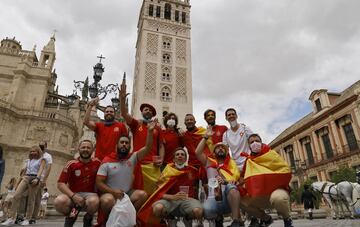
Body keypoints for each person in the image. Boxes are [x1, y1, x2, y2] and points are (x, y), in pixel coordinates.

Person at [96, 120, 157, 225]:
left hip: (127, 194)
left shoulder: (132, 157)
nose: (124, 145)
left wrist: (150, 132)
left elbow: (147, 148)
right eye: (122, 142)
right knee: (107, 201)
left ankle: (130, 216)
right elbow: (99, 183)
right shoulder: (106, 160)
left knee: (142, 195)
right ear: (117, 146)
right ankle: (107, 221)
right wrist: (113, 192)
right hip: (110, 193)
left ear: (129, 146)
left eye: (127, 143)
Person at [138, 148, 203, 227]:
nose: (180, 156)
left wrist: (196, 200)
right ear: (173, 159)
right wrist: (172, 197)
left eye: (182, 154)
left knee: (198, 212)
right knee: (157, 209)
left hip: (187, 199)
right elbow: (158, 192)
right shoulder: (167, 171)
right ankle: (170, 218)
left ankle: (187, 219)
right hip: (170, 201)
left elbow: (197, 186)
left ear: (185, 159)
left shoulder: (193, 170)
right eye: (177, 154)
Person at [119, 79, 164, 194]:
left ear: (152, 114)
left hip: (152, 165)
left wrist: (161, 159)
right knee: (137, 191)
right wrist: (122, 99)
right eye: (146, 109)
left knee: (153, 193)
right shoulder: (136, 124)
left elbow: (161, 146)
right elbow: (124, 114)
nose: (148, 111)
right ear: (142, 112)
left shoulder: (157, 128)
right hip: (137, 162)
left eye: (150, 110)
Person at [238, 134, 293, 227]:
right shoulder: (248, 161)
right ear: (249, 146)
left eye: (257, 141)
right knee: (239, 200)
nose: (255, 143)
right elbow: (243, 178)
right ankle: (265, 218)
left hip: (276, 191)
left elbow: (285, 169)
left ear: (261, 142)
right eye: (252, 142)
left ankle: (287, 219)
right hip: (260, 195)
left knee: (278, 199)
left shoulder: (272, 155)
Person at [195, 127, 244, 227]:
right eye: (218, 148)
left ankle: (236, 221)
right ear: (213, 152)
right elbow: (197, 153)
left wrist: (226, 181)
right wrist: (205, 137)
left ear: (226, 153)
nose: (221, 149)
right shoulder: (209, 162)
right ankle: (217, 220)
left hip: (229, 200)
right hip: (213, 199)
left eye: (223, 148)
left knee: (232, 188)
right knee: (207, 209)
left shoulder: (232, 164)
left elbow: (236, 181)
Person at [54, 140, 101, 227]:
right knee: (59, 201)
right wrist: (73, 196)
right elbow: (60, 183)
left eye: (88, 147)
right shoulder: (71, 164)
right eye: (83, 147)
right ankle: (71, 216)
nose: (85, 149)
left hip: (90, 196)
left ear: (93, 150)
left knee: (94, 201)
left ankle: (88, 218)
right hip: (73, 194)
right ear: (78, 149)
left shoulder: (98, 163)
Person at [2, 146, 45, 226]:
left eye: (34, 151)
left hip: (34, 178)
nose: (32, 153)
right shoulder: (28, 160)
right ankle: (11, 218)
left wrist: (37, 179)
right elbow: (24, 171)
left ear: (38, 152)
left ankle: (28, 218)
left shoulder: (42, 160)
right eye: (31, 151)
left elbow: (41, 169)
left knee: (31, 199)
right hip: (26, 177)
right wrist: (19, 181)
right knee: (16, 196)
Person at [30, 141, 52, 224]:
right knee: (30, 197)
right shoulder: (36, 155)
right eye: (40, 145)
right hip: (31, 178)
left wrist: (44, 180)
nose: (41, 147)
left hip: (40, 179)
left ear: (46, 146)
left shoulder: (48, 156)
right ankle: (27, 215)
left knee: (37, 199)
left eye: (43, 146)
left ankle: (33, 217)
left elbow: (49, 168)